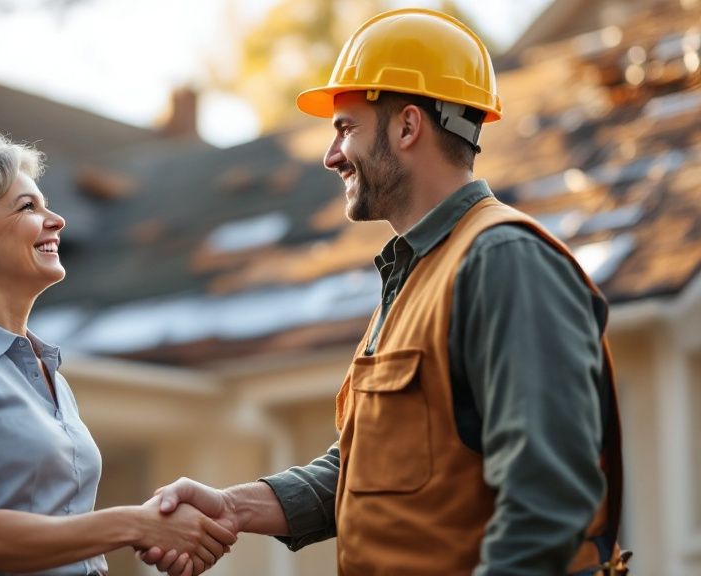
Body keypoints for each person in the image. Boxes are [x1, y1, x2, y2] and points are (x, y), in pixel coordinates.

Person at [140, 8, 629, 576]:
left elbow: (547, 502)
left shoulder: (502, 261)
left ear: (407, 127)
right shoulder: (423, 271)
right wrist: (234, 507)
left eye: (346, 128)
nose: (330, 155)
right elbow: (369, 470)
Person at [0, 133, 235, 576]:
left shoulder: (48, 373)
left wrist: (158, 530)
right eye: (28, 207)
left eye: (46, 206)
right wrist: (136, 524)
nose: (57, 221)